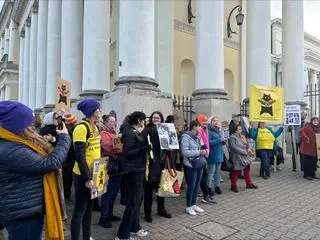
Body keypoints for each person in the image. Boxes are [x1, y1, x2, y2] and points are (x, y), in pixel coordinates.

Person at [0, 101, 71, 240]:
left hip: (24, 209)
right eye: (28, 123)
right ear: (16, 125)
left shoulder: (13, 141)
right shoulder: (10, 149)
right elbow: (51, 163)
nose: (32, 126)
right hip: (22, 213)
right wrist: (64, 137)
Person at [116, 111, 150, 240]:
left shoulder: (136, 131)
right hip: (133, 171)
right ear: (138, 120)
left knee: (137, 201)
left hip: (139, 169)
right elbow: (127, 153)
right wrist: (143, 149)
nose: (145, 121)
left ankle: (134, 227)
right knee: (132, 203)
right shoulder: (129, 132)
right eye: (143, 119)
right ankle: (122, 234)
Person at [71, 99, 102, 240]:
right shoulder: (81, 128)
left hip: (94, 173)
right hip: (83, 175)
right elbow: (79, 155)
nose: (100, 112)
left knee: (89, 209)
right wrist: (88, 178)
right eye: (97, 109)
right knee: (79, 210)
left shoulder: (95, 127)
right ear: (90, 112)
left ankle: (87, 236)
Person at [143, 111, 172, 223]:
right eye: (154, 118)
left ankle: (161, 209)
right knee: (149, 190)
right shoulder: (147, 130)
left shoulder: (164, 130)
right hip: (151, 164)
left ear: (161, 119)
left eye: (158, 118)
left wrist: (169, 148)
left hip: (162, 163)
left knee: (161, 188)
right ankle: (147, 213)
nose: (156, 120)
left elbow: (167, 145)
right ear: (151, 119)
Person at [99, 115, 123, 228]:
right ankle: (103, 218)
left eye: (114, 121)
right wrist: (120, 146)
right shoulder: (104, 134)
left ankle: (110, 214)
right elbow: (110, 147)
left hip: (116, 166)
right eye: (111, 121)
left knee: (114, 192)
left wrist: (119, 145)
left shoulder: (114, 134)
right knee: (107, 193)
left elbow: (117, 146)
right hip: (108, 166)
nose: (113, 123)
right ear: (106, 122)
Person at [181, 120, 207, 216]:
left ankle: (193, 204)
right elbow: (185, 152)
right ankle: (188, 206)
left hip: (199, 163)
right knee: (191, 185)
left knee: (197, 184)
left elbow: (202, 146)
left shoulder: (198, 137)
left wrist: (205, 150)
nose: (201, 128)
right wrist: (199, 152)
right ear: (194, 127)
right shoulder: (185, 137)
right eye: (199, 126)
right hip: (190, 164)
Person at [229, 124, 258, 192]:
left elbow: (246, 144)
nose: (241, 130)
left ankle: (249, 184)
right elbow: (233, 147)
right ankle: (233, 186)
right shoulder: (232, 137)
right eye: (239, 129)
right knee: (236, 171)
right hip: (237, 157)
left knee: (247, 170)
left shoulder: (242, 136)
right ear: (235, 130)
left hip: (245, 157)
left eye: (241, 129)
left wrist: (249, 149)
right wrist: (244, 151)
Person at [196, 114, 215, 203]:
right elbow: (200, 143)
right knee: (203, 176)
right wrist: (204, 151)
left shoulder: (204, 130)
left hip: (204, 156)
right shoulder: (199, 130)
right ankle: (206, 194)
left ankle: (205, 194)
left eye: (206, 121)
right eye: (203, 121)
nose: (205, 123)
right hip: (200, 157)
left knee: (204, 176)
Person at [207, 117, 225, 195]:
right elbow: (208, 142)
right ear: (210, 122)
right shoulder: (208, 131)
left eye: (217, 120)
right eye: (214, 121)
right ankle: (208, 187)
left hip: (219, 153)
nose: (216, 122)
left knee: (218, 172)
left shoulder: (219, 130)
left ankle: (217, 186)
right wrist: (219, 140)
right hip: (212, 154)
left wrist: (224, 141)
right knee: (211, 172)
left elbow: (222, 141)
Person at [299, 116, 319, 180]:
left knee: (314, 162)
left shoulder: (318, 128)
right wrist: (306, 138)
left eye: (317, 121)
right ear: (311, 121)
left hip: (315, 149)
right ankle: (306, 175)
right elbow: (302, 131)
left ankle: (312, 174)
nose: (316, 122)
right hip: (307, 148)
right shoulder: (308, 126)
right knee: (308, 162)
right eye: (314, 121)